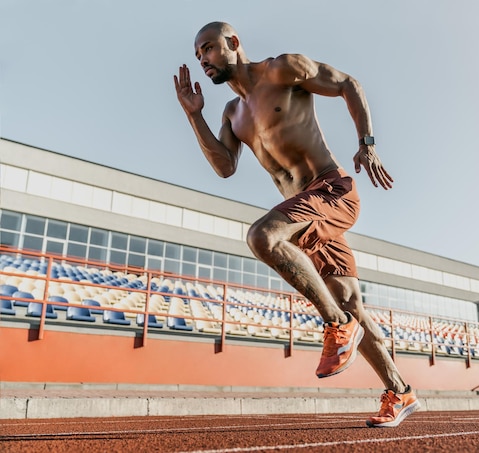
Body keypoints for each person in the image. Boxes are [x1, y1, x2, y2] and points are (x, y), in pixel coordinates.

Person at [174, 21, 419, 428]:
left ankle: (337, 328)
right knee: (350, 302)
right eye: (198, 54)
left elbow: (347, 84)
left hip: (331, 191)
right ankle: (400, 390)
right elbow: (224, 167)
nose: (202, 60)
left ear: (233, 43)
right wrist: (193, 116)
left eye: (209, 49)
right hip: (302, 212)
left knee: (262, 235)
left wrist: (367, 144)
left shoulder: (283, 69)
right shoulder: (232, 112)